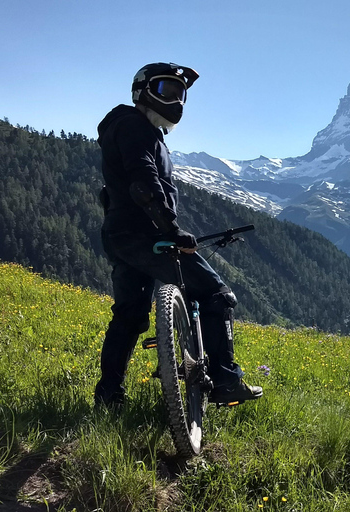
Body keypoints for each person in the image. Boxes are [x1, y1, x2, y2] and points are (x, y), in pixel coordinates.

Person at [94, 62, 262, 408]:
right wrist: (171, 229)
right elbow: (143, 185)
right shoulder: (137, 127)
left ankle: (109, 397)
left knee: (129, 316)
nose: (175, 100)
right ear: (142, 90)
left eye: (180, 93)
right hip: (149, 234)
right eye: (166, 90)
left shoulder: (126, 127)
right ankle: (226, 380)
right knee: (216, 294)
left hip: (121, 236)